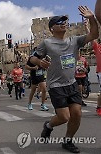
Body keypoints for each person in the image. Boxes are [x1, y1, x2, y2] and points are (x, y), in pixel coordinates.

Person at [30, 6, 98, 153]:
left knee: (77, 113)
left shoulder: (74, 41)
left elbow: (94, 34)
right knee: (64, 117)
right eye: (59, 21)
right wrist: (40, 62)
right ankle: (48, 126)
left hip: (72, 83)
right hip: (55, 85)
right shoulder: (47, 43)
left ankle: (68, 140)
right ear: (51, 28)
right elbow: (32, 58)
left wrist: (91, 18)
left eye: (65, 21)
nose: (63, 23)